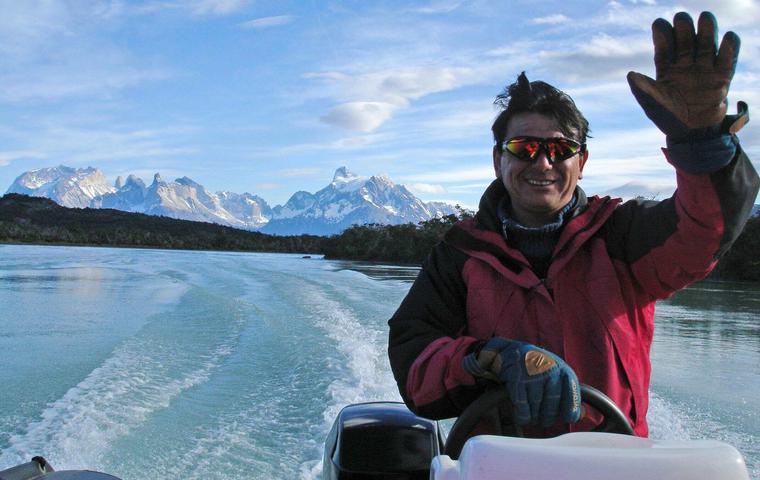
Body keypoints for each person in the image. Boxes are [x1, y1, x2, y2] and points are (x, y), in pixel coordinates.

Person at [388, 11, 759, 438]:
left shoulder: (623, 235)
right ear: (498, 161)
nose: (542, 163)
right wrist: (486, 358)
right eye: (523, 147)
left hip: (611, 464)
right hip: (496, 466)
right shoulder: (459, 253)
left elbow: (704, 231)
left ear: (580, 162)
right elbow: (415, 364)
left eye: (559, 148)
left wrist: (703, 143)